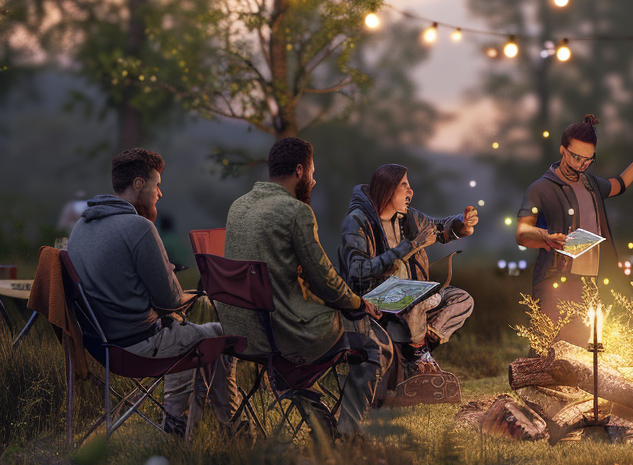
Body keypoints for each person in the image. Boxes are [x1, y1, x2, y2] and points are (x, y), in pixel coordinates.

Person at [219, 137, 388, 439]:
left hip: (242, 333)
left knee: (311, 344)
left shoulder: (238, 207)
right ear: (300, 170)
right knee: (374, 344)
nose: (314, 179)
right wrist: (357, 303)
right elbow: (325, 280)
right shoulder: (296, 211)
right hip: (283, 337)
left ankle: (315, 413)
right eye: (312, 171)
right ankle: (348, 436)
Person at [67, 149, 230, 429]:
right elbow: (170, 301)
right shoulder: (138, 227)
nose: (160, 194)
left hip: (99, 345)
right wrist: (184, 287)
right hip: (136, 348)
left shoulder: (81, 226)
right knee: (219, 334)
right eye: (158, 185)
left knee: (181, 330)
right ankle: (230, 429)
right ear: (140, 184)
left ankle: (180, 423)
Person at [516, 114, 633, 346]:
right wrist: (546, 237)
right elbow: (522, 232)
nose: (581, 164)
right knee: (552, 344)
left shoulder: (590, 184)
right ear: (562, 150)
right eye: (576, 157)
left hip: (592, 280)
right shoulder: (540, 189)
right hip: (556, 279)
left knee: (589, 346)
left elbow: (618, 185)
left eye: (588, 159)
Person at [339, 165, 478, 375]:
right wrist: (411, 245)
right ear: (387, 189)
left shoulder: (409, 218)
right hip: (378, 301)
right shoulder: (358, 221)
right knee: (417, 305)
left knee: (462, 299)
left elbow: (439, 228)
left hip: (414, 297)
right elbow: (358, 270)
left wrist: (462, 223)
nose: (410, 192)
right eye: (404, 185)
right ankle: (418, 356)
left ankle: (418, 348)